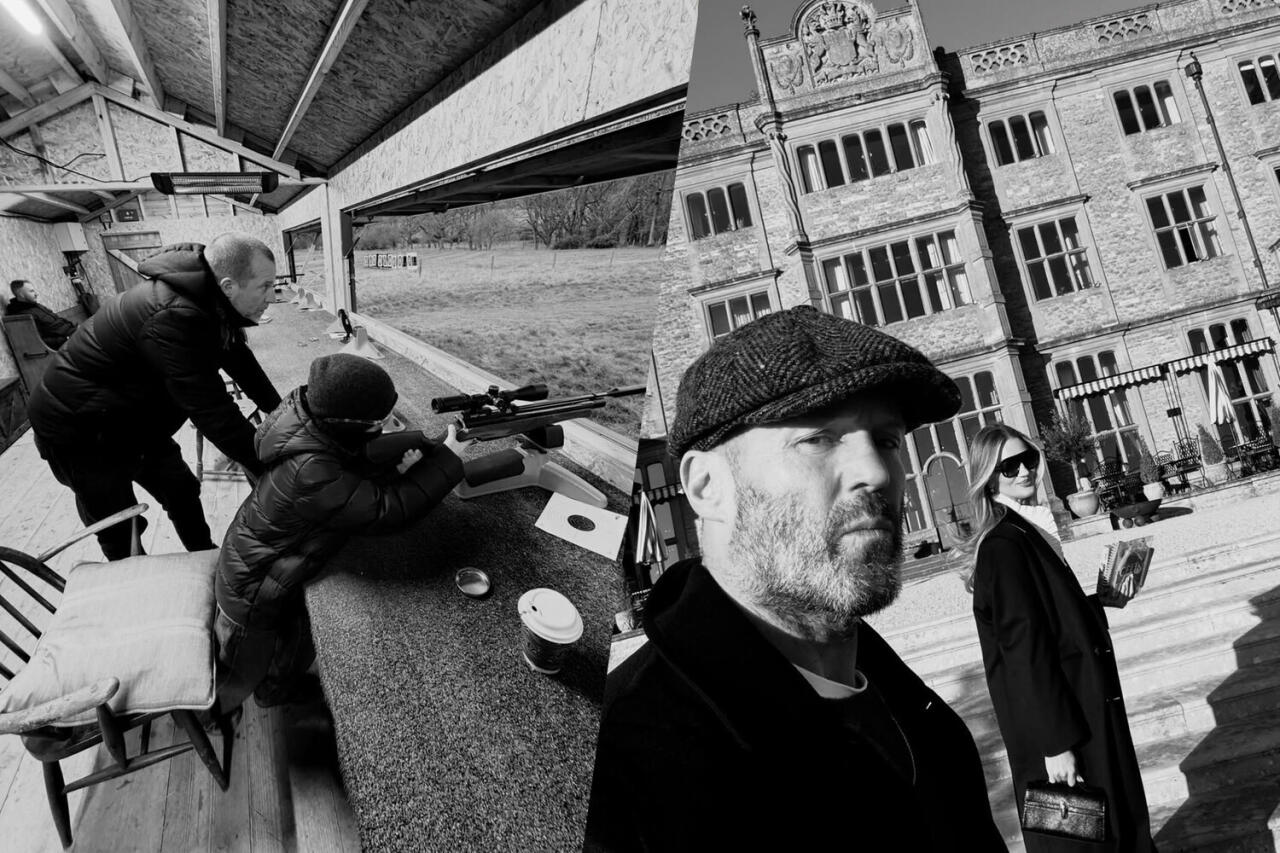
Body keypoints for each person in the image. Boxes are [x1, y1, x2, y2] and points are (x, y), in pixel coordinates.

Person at [585, 306, 1006, 851]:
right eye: (818, 438)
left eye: (886, 440)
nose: (877, 472)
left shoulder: (922, 720)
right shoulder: (627, 775)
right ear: (708, 486)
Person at [214, 353, 473, 709]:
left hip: (258, 568)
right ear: (347, 421)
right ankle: (243, 706)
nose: (386, 426)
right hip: (251, 597)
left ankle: (275, 686)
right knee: (242, 671)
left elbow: (353, 466)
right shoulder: (311, 470)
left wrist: (411, 458)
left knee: (294, 641)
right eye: (379, 421)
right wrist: (448, 457)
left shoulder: (309, 427)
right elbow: (387, 511)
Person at [28, 234, 282, 560]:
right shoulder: (173, 316)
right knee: (119, 525)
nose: (272, 296)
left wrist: (284, 414)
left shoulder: (211, 301)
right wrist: (273, 466)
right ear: (229, 286)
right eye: (265, 286)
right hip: (77, 429)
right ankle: (135, 580)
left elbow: (241, 363)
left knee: (181, 489)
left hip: (128, 417)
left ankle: (203, 556)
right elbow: (213, 412)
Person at [962, 424, 1155, 852]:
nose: (1023, 471)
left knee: (1107, 829)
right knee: (1079, 839)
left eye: (1028, 459)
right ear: (989, 478)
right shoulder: (1004, 545)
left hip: (1078, 707)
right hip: (1061, 726)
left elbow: (1048, 619)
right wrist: (1055, 744)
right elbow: (1023, 650)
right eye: (1009, 466)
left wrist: (1099, 601)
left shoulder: (1026, 530)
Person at [5, 279, 77, 349]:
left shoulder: (35, 305)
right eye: (31, 291)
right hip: (65, 343)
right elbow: (38, 341)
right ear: (21, 295)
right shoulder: (22, 315)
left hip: (72, 333)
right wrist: (65, 339)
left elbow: (58, 320)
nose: (36, 294)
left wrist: (75, 329)